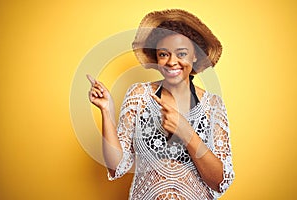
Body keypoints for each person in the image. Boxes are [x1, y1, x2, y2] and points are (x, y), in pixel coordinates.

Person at [87, 9, 234, 200]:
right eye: (164, 54)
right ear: (157, 58)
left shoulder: (212, 105)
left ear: (195, 56)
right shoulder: (139, 95)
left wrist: (184, 130)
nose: (172, 62)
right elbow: (117, 166)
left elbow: (219, 182)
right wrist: (106, 110)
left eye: (181, 53)